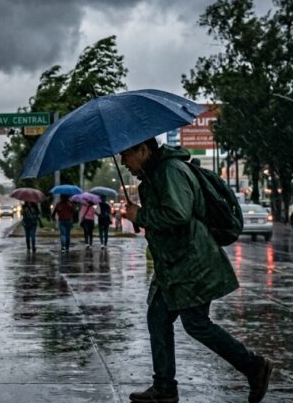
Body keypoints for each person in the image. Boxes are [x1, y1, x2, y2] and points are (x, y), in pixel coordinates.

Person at [121, 138, 272, 403]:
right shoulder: (156, 175)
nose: (124, 162)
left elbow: (178, 214)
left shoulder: (170, 171)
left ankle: (254, 366)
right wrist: (142, 215)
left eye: (126, 155)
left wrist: (141, 216)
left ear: (143, 150)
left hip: (191, 263)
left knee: (196, 324)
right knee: (158, 317)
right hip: (173, 266)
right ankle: (164, 387)